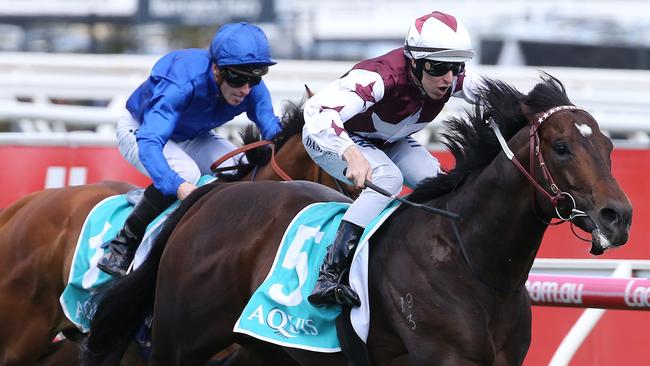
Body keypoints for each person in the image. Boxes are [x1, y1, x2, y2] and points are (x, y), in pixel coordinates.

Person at [302, 11, 480, 307]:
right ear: (415, 63)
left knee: (438, 183)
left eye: (455, 67)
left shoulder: (449, 77)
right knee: (389, 179)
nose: (448, 79)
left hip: (387, 140)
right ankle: (330, 273)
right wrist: (351, 154)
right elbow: (318, 112)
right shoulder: (380, 78)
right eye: (437, 68)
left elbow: (504, 96)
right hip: (333, 138)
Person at [97, 22, 282, 277]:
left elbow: (273, 129)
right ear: (216, 69)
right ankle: (123, 242)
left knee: (240, 165)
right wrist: (179, 186)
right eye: (238, 79)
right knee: (186, 173)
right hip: (143, 130)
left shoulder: (250, 88)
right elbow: (151, 143)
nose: (245, 90)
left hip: (194, 135)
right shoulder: (182, 83)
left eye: (254, 79)